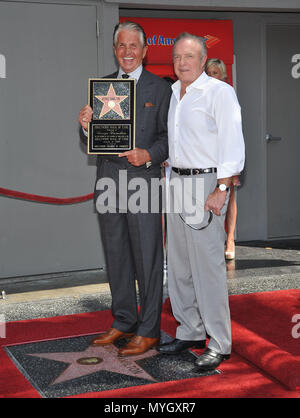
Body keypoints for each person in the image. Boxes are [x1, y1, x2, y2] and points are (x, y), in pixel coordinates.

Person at [78, 21, 171, 356]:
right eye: (121, 46)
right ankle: (124, 320)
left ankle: (149, 330)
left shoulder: (161, 89)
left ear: (145, 51)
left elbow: (168, 139)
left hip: (143, 182)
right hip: (107, 181)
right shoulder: (102, 87)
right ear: (115, 49)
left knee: (146, 257)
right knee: (116, 256)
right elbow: (94, 143)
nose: (127, 52)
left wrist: (148, 154)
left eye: (134, 46)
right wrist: (87, 127)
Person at [157, 33, 245, 372]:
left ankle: (219, 342)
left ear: (203, 57)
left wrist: (221, 188)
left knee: (208, 267)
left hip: (206, 183)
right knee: (178, 265)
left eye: (189, 56)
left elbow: (232, 141)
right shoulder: (172, 94)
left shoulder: (219, 93)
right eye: (177, 56)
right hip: (176, 182)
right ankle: (190, 330)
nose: (182, 62)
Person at [206, 58, 240, 260]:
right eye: (208, 73)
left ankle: (230, 239)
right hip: (206, 160)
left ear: (224, 76)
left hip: (225, 157)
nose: (212, 77)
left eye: (215, 73)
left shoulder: (228, 95)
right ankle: (214, 240)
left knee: (230, 196)